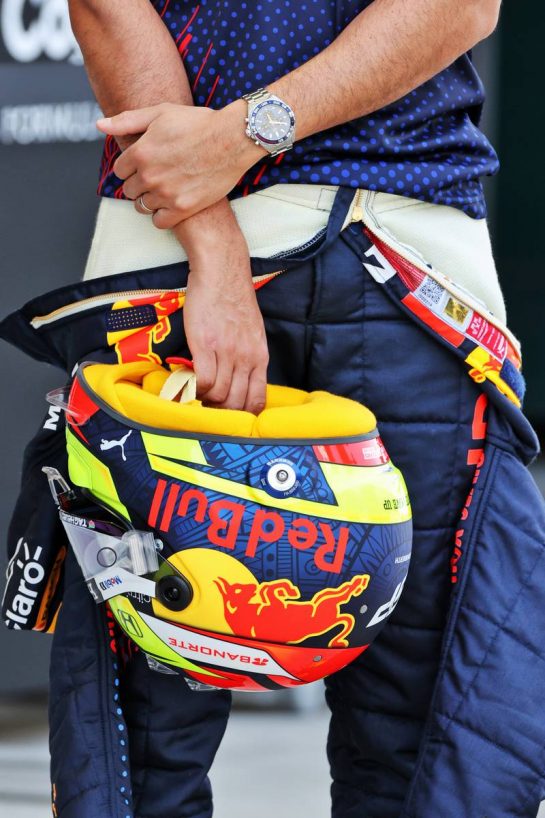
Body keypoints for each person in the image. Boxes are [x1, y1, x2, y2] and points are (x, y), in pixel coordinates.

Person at [3, 1, 545, 817]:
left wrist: (245, 135)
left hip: (392, 241)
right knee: (144, 715)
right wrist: (214, 244)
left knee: (424, 709)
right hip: (201, 235)